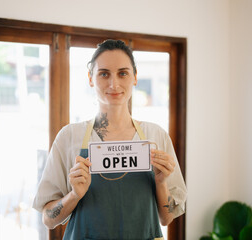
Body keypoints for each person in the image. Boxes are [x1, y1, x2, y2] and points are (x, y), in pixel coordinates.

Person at [33, 39, 187, 240]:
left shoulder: (155, 136)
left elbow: (167, 218)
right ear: (90, 78)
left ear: (135, 78)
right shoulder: (69, 137)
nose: (114, 84)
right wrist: (74, 195)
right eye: (104, 74)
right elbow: (48, 218)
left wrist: (161, 182)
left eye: (123, 73)